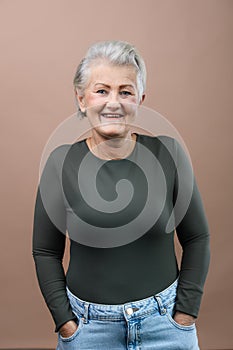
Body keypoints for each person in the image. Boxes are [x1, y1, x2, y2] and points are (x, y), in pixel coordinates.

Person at [32, 40, 210, 350]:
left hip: (165, 326)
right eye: (101, 91)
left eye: (125, 92)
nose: (113, 102)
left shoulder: (168, 153)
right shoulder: (61, 164)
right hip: (88, 332)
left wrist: (185, 314)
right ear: (81, 98)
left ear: (140, 99)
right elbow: (45, 252)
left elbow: (198, 238)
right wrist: (66, 323)